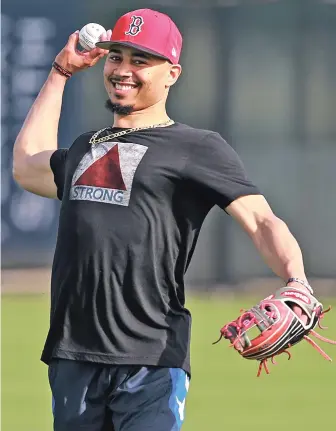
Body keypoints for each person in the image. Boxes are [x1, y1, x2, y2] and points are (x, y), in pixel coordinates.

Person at [13, 8, 313, 431]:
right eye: (116, 57)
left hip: (150, 359)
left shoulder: (196, 147)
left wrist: (296, 280)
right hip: (73, 356)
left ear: (171, 73)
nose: (123, 70)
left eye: (140, 61)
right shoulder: (85, 147)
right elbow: (26, 167)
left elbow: (262, 220)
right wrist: (61, 71)